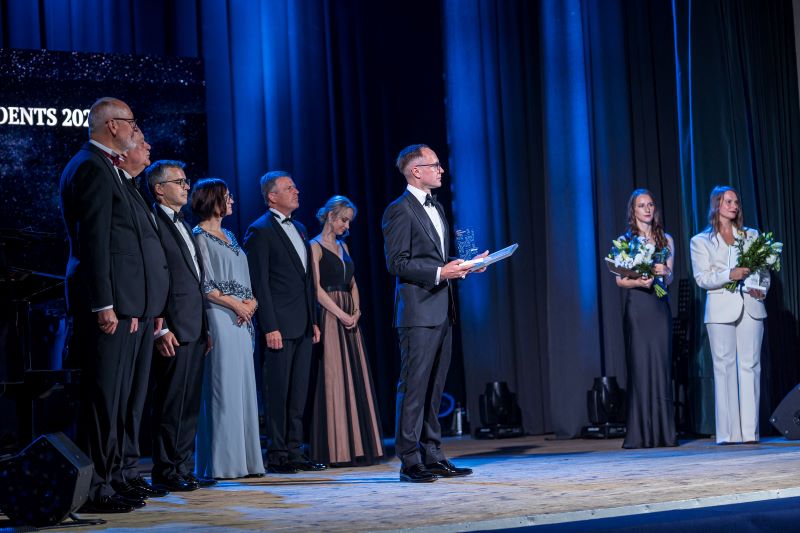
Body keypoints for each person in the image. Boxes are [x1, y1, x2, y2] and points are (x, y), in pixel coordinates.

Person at [60, 97, 162, 513]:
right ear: (113, 126)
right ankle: (95, 488)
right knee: (103, 400)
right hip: (105, 306)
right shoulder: (90, 167)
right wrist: (105, 304)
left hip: (124, 306)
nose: (136, 129)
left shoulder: (107, 169)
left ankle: (111, 479)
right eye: (131, 122)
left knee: (117, 399)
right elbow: (94, 244)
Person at [382, 144, 486, 483]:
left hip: (442, 309)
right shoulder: (399, 210)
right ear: (416, 171)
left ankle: (433, 454)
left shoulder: (437, 207)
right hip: (418, 312)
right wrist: (442, 273)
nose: (441, 170)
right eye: (435, 165)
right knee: (414, 387)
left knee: (435, 387)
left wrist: (464, 265)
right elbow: (397, 264)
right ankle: (409, 459)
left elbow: (435, 259)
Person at [243, 171, 323, 474]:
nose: (296, 191)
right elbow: (260, 283)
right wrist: (269, 326)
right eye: (289, 188)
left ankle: (295, 450)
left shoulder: (300, 228)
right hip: (279, 325)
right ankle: (277, 454)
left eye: (295, 186)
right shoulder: (260, 230)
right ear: (272, 196)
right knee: (277, 391)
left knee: (298, 391)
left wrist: (313, 320)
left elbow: (307, 281)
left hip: (303, 323)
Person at [147, 160, 216, 491]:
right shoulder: (153, 222)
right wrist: (161, 327)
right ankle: (166, 470)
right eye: (179, 182)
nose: (187, 187)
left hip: (194, 326)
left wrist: (205, 327)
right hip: (172, 327)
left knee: (189, 404)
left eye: (186, 181)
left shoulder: (184, 225)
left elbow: (195, 279)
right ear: (159, 189)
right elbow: (156, 276)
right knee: (171, 403)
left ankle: (183, 467)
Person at [192, 179, 265, 479]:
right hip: (220, 317)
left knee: (243, 388)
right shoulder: (199, 237)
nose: (232, 200)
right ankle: (223, 463)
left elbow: (244, 277)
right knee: (222, 388)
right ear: (213, 200)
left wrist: (252, 303)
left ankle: (247, 461)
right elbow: (205, 284)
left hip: (243, 319)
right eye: (227, 196)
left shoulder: (231, 235)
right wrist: (236, 305)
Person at [113, 131, 172, 503]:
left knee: (136, 401)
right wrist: (128, 305)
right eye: (141, 141)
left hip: (147, 312)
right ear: (122, 153)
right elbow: (116, 254)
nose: (148, 146)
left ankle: (130, 470)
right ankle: (116, 474)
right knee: (121, 400)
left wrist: (156, 309)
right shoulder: (116, 186)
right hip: (127, 310)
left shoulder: (135, 191)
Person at [308, 196, 385, 466]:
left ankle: (359, 446)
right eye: (343, 220)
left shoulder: (344, 246)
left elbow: (352, 283)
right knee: (335, 376)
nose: (346, 226)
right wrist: (340, 314)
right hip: (330, 315)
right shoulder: (314, 247)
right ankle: (338, 449)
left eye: (349, 221)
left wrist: (356, 311)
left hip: (349, 316)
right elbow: (316, 289)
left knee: (354, 375)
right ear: (330, 216)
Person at [690, 186, 768, 444]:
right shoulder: (701, 241)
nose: (734, 206)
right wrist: (729, 275)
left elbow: (763, 271)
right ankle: (728, 434)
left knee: (750, 365)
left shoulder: (751, 235)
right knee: (724, 368)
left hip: (751, 305)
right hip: (720, 307)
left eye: (736, 202)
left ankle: (750, 432)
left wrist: (761, 289)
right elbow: (702, 278)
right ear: (717, 205)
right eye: (729, 201)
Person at [614, 189, 677, 449]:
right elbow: (620, 280)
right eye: (642, 205)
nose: (647, 209)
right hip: (638, 307)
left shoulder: (666, 239)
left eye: (650, 204)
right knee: (640, 368)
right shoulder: (625, 240)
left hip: (659, 306)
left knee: (661, 367)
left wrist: (665, 271)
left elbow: (670, 278)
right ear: (633, 210)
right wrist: (638, 281)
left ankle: (664, 433)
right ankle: (640, 434)